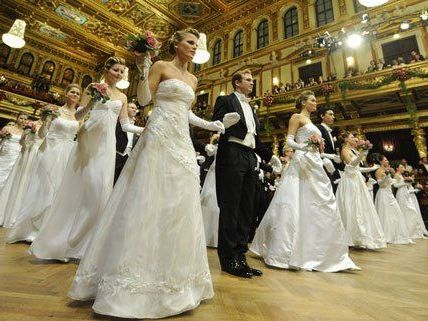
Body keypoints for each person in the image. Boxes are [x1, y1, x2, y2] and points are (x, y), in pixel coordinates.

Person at [68, 28, 222, 319]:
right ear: (176, 45)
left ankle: (176, 280)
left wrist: (212, 124)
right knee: (148, 196)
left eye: (196, 43)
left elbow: (186, 112)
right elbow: (145, 98)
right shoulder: (162, 66)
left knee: (178, 203)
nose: (194, 47)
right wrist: (143, 67)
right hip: (159, 136)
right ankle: (132, 282)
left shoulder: (193, 79)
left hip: (181, 140)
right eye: (190, 42)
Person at [29, 57, 143, 261]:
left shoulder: (123, 97)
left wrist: (145, 129)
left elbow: (125, 125)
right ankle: (64, 241)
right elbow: (78, 115)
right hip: (88, 140)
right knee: (83, 185)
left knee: (100, 190)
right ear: (107, 69)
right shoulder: (93, 87)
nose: (119, 74)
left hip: (107, 145)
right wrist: (91, 102)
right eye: (116, 70)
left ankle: (86, 244)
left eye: (122, 72)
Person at [250, 90, 359, 272]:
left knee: (319, 202)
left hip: (314, 162)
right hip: (301, 162)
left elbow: (315, 148)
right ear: (303, 102)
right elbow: (289, 142)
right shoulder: (296, 117)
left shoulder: (313, 123)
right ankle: (287, 251)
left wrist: (327, 155)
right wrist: (306, 146)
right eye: (312, 100)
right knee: (297, 201)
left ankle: (321, 251)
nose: (316, 103)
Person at [212, 69, 281, 278]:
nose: (252, 83)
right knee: (231, 207)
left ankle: (241, 257)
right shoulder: (225, 100)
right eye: (248, 80)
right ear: (237, 82)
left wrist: (270, 157)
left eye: (252, 80)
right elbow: (216, 123)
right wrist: (225, 121)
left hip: (250, 156)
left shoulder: (252, 108)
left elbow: (255, 139)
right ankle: (228, 260)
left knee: (246, 209)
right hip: (232, 153)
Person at [7, 84, 81, 243]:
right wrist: (47, 121)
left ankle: (47, 230)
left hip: (68, 153)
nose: (75, 94)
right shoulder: (55, 111)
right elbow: (42, 134)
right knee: (43, 187)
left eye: (77, 93)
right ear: (66, 93)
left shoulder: (79, 115)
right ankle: (31, 229)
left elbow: (79, 136)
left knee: (59, 189)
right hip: (50, 150)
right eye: (72, 91)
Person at [335, 131, 386, 249]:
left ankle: (361, 236)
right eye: (352, 137)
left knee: (361, 205)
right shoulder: (344, 151)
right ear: (346, 140)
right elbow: (351, 164)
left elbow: (357, 169)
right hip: (349, 181)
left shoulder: (353, 151)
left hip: (356, 179)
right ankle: (352, 237)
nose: (355, 139)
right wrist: (362, 154)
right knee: (352, 205)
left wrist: (371, 168)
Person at [0, 117, 43, 227]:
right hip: (28, 153)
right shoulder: (31, 124)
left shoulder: (50, 127)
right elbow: (23, 141)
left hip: (39, 156)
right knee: (19, 180)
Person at [374, 154, 414, 244]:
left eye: (387, 160)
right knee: (385, 214)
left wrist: (404, 180)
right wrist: (388, 175)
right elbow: (381, 184)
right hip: (383, 194)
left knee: (396, 212)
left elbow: (391, 182)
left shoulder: (387, 170)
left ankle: (395, 234)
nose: (387, 161)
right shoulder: (379, 171)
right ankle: (386, 236)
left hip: (389, 194)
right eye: (385, 160)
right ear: (381, 162)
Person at [393, 163, 425, 239]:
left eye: (403, 167)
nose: (403, 168)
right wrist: (405, 182)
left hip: (406, 193)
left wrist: (408, 181)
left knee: (410, 211)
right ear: (397, 169)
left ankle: (411, 230)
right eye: (401, 167)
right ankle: (406, 231)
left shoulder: (402, 175)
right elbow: (395, 185)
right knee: (406, 210)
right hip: (400, 193)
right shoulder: (396, 175)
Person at [316, 107, 342, 193]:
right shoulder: (319, 128)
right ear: (322, 116)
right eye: (330, 114)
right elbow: (316, 148)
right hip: (324, 165)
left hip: (333, 166)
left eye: (333, 115)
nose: (333, 117)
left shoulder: (330, 131)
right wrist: (327, 157)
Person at [201, 133, 220, 247]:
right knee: (209, 201)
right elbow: (209, 151)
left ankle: (214, 237)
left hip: (218, 174)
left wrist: (212, 140)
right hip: (213, 174)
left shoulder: (218, 147)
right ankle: (207, 236)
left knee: (215, 203)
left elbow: (208, 149)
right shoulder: (217, 148)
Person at [0, 112, 28, 191]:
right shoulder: (7, 128)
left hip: (16, 155)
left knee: (10, 175)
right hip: (5, 153)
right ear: (17, 118)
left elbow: (24, 144)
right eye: (21, 118)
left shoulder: (24, 132)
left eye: (25, 119)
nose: (23, 120)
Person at [114, 102, 138, 184]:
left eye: (135, 108)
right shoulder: (118, 122)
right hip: (117, 155)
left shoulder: (135, 126)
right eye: (132, 107)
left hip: (128, 158)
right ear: (125, 109)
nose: (135, 109)